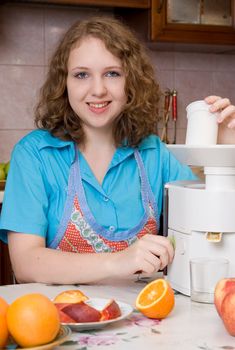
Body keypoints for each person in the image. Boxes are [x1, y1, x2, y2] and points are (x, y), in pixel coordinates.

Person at [0, 17, 234, 285]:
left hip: (145, 321)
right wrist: (119, 260)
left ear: (131, 81)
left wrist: (225, 151)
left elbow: (214, 222)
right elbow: (26, 263)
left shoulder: (154, 154)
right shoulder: (34, 155)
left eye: (112, 73)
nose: (98, 90)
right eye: (81, 74)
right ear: (64, 84)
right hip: (58, 321)